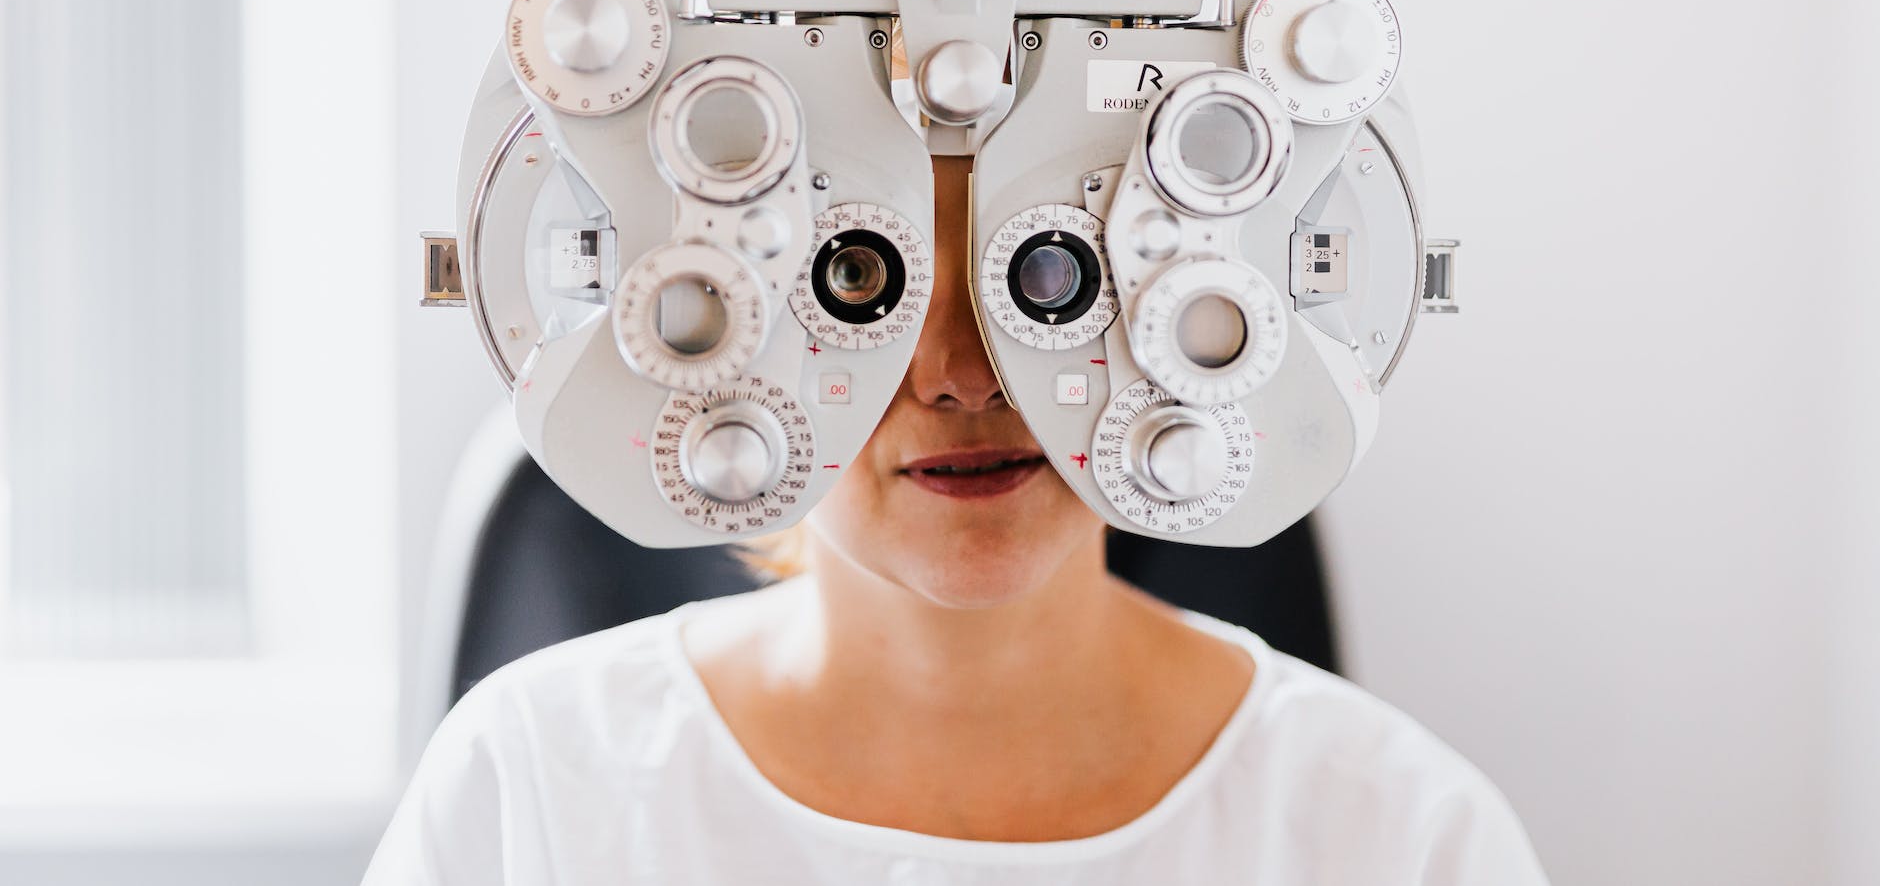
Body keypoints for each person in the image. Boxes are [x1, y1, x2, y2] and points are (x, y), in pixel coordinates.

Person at [364, 155, 1549, 884]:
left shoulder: (1396, 830)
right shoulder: (531, 783)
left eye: (1043, 278)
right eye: (863, 282)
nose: (962, 373)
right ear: (732, 321)